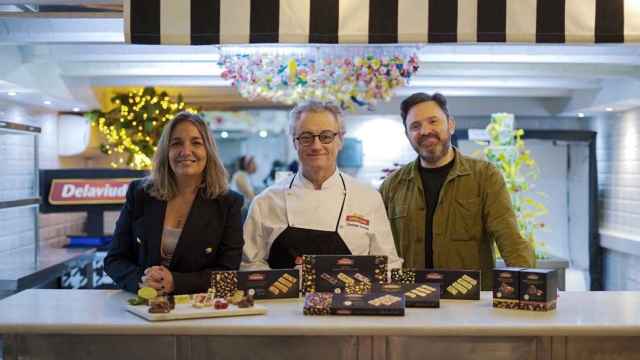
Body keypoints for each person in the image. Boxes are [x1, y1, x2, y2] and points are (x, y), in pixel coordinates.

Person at [379, 92, 535, 290]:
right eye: (415, 126)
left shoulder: (484, 177)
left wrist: (528, 287)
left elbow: (510, 239)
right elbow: (379, 249)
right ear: (408, 135)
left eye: (433, 121)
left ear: (450, 125)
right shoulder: (392, 186)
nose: (425, 131)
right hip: (411, 303)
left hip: (469, 304)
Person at [242, 101, 402, 270]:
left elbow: (388, 265)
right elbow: (250, 264)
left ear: (340, 140)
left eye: (326, 136)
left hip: (349, 297)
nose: (316, 145)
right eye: (306, 137)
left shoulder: (368, 198)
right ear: (295, 142)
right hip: (284, 297)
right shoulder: (266, 201)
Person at [105, 112, 244, 295]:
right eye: (176, 143)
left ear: (208, 151)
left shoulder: (229, 203)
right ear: (166, 151)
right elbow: (114, 260)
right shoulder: (140, 194)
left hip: (198, 314)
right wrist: (141, 280)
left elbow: (229, 274)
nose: (185, 151)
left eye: (196, 143)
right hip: (142, 311)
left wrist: (176, 283)